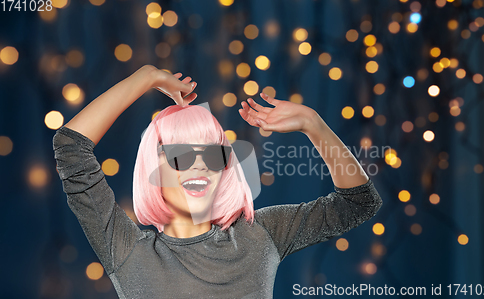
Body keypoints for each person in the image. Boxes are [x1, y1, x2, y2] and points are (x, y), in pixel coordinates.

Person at [53, 65, 383, 298]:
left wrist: (314, 124)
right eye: (182, 156)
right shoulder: (126, 251)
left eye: (212, 156)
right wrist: (145, 78)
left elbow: (358, 203)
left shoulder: (259, 235)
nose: (200, 168)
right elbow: (71, 147)